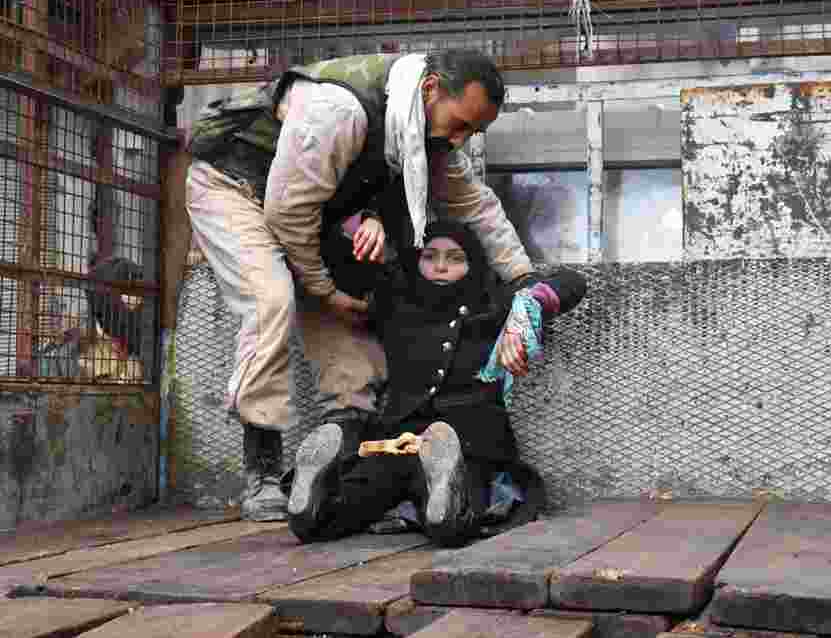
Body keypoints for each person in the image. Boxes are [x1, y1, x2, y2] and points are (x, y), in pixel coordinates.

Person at [184, 49, 534, 521]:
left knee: (350, 328)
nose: (461, 140)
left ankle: (339, 457)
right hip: (233, 188)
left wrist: (525, 280)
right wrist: (326, 291)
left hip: (299, 209)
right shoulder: (341, 110)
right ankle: (262, 472)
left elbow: (476, 205)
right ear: (431, 90)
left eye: (472, 132)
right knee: (271, 300)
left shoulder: (420, 130)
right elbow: (287, 215)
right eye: (460, 124)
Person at [286, 220, 586, 545]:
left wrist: (528, 306)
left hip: (467, 444)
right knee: (346, 505)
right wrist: (372, 218)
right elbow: (333, 256)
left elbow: (573, 281)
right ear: (417, 260)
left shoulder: (493, 301)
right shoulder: (395, 298)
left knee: (453, 513)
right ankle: (311, 506)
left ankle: (443, 489)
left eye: (455, 258)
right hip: (397, 442)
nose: (441, 266)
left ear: (473, 262)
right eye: (431, 256)